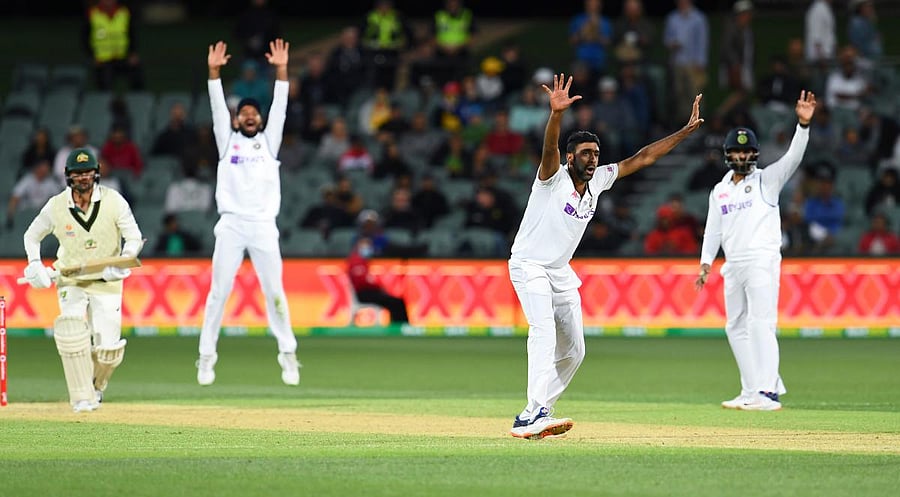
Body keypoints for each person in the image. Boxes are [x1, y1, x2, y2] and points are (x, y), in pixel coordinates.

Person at [507, 73, 704, 440]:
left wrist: (684, 132)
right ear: (570, 157)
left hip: (559, 270)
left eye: (596, 154)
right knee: (543, 329)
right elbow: (549, 150)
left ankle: (536, 411)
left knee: (576, 351)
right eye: (586, 154)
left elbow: (642, 158)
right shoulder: (553, 178)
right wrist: (556, 116)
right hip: (529, 263)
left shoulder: (597, 181)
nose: (593, 160)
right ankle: (532, 415)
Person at [695, 90, 817, 411]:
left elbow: (793, 158)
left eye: (748, 151)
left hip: (762, 260)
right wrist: (706, 263)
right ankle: (750, 390)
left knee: (761, 323)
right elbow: (713, 229)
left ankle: (768, 393)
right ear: (727, 155)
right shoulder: (720, 190)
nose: (742, 156)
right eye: (736, 152)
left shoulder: (767, 181)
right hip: (733, 265)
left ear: (756, 154)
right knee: (735, 326)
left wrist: (802, 125)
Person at [196, 39, 300, 387]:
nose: (250, 116)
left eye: (254, 113)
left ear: (261, 118)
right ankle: (206, 357)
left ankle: (288, 354)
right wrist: (214, 72)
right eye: (244, 113)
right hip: (231, 225)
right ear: (237, 118)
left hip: (263, 227)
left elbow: (281, 105)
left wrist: (281, 70)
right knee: (218, 292)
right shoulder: (227, 141)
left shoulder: (269, 141)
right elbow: (215, 107)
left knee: (275, 293)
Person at [21, 147, 144, 412]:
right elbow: (31, 236)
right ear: (68, 176)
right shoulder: (56, 206)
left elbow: (134, 237)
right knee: (73, 335)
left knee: (108, 351)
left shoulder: (114, 201)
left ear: (96, 172)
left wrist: (122, 262)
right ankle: (80, 398)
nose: (83, 177)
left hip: (107, 282)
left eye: (87, 172)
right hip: (71, 280)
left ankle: (96, 387)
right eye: (77, 173)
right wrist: (35, 264)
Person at [663, 0, 709, 128]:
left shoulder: (699, 19)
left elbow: (702, 41)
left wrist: (701, 62)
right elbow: (667, 39)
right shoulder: (672, 18)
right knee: (679, 93)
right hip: (678, 62)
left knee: (695, 94)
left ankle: (698, 124)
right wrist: (672, 44)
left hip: (694, 63)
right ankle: (683, 125)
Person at [83, 0, 145, 91]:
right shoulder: (92, 13)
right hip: (102, 59)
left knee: (137, 72)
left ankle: (137, 100)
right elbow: (84, 37)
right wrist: (92, 56)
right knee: (104, 81)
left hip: (122, 56)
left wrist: (133, 53)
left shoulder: (124, 12)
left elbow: (132, 34)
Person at [346, 237, 410, 324]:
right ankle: (401, 326)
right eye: (365, 246)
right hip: (364, 294)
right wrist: (377, 286)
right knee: (396, 302)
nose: (368, 248)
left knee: (395, 302)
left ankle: (398, 325)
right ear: (358, 247)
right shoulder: (356, 261)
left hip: (368, 292)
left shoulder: (362, 261)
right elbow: (361, 281)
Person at [6, 159, 63, 229]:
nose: (44, 172)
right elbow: (15, 196)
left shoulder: (50, 182)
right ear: (37, 169)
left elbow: (60, 199)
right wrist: (10, 216)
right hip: (26, 212)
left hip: (42, 212)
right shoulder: (28, 179)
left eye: (46, 170)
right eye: (42, 169)